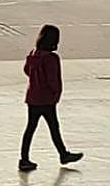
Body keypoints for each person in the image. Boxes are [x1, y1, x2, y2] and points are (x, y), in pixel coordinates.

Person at [20, 25, 83, 172]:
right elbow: (53, 79)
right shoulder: (51, 58)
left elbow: (26, 70)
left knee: (30, 128)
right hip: (47, 99)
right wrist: (56, 93)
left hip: (33, 97)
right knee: (54, 128)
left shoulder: (33, 53)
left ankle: (24, 158)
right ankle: (63, 154)